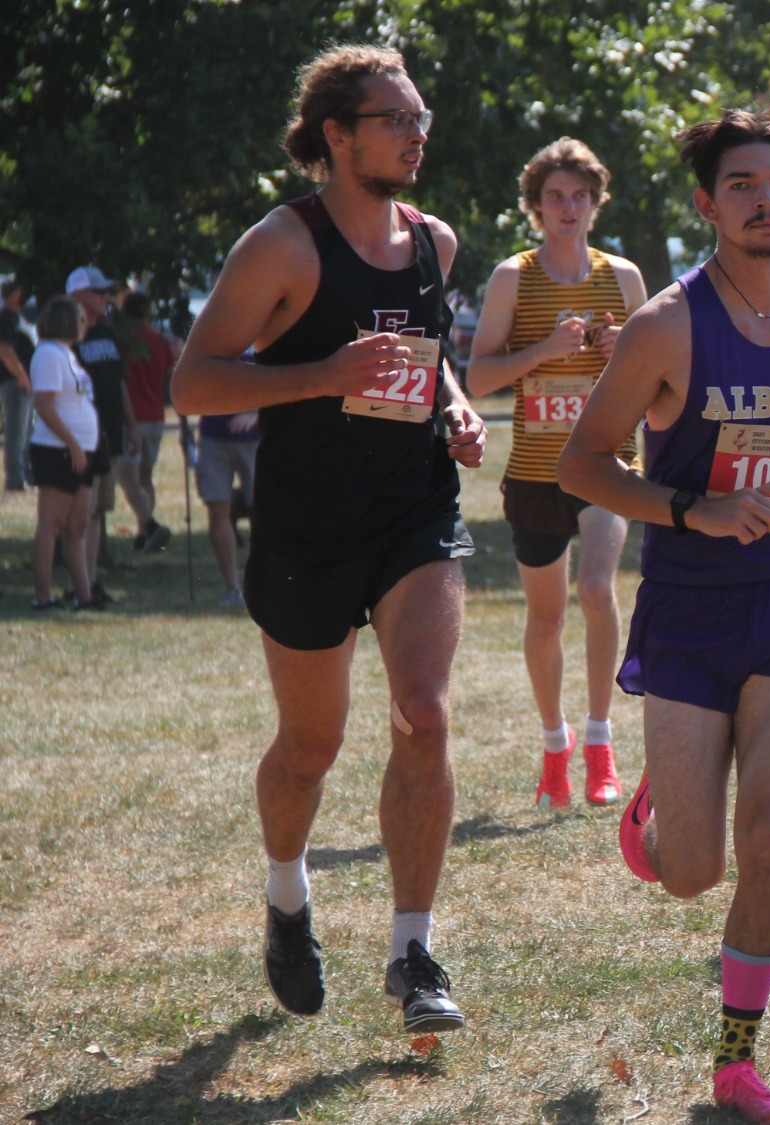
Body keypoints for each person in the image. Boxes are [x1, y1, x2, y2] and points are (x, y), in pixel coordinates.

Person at [559, 107, 770, 1125]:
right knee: (692, 875)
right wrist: (690, 508)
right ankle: (658, 807)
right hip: (690, 611)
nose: (764, 200)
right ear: (708, 205)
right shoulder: (667, 324)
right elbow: (583, 462)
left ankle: (736, 1066)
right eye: (741, 185)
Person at [172, 44, 486, 1034]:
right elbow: (193, 383)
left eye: (419, 117)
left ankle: (413, 952)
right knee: (312, 744)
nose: (415, 132)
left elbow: (428, 362)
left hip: (414, 511)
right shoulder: (283, 246)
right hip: (307, 525)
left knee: (424, 716)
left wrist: (460, 406)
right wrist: (320, 376)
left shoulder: (434, 242)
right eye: (394, 119)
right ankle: (286, 895)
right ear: (337, 135)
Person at [468, 137, 647, 810]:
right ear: (536, 207)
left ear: (596, 205)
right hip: (537, 472)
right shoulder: (514, 277)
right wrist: (544, 349)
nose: (567, 208)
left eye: (580, 197)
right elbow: (479, 376)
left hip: (605, 464)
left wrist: (618, 349)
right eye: (555, 198)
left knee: (597, 589)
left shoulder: (623, 279)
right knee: (546, 618)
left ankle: (602, 743)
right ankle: (555, 745)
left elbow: (656, 374)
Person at [27, 296, 101, 609]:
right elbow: (44, 404)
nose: (84, 325)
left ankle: (84, 596)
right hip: (58, 449)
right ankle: (43, 597)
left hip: (82, 449)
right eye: (80, 319)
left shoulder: (66, 354)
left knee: (78, 526)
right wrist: (72, 443)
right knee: (52, 525)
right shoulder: (48, 354)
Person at [69, 266, 134, 594]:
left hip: (110, 432)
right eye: (98, 292)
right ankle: (75, 584)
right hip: (82, 438)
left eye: (107, 292)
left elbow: (117, 382)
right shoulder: (68, 340)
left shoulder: (107, 333)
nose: (105, 298)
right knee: (79, 514)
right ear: (77, 296)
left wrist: (131, 425)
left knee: (96, 514)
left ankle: (90, 581)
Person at [120, 290, 178, 553]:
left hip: (131, 417)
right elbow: (169, 378)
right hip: (156, 415)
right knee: (145, 477)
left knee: (128, 478)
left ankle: (148, 527)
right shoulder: (159, 342)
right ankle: (144, 535)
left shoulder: (123, 344)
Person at [196, 408, 260, 607]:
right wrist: (184, 429)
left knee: (264, 511)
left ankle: (265, 585)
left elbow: (281, 379)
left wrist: (259, 414)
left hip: (255, 436)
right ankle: (233, 589)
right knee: (217, 510)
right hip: (213, 434)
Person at [2, 279, 36, 491]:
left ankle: (26, 476)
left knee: (27, 431)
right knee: (16, 433)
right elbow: (4, 349)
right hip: (15, 383)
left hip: (24, 384)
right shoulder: (6, 318)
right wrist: (22, 376)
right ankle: (15, 481)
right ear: (14, 294)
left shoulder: (19, 318)